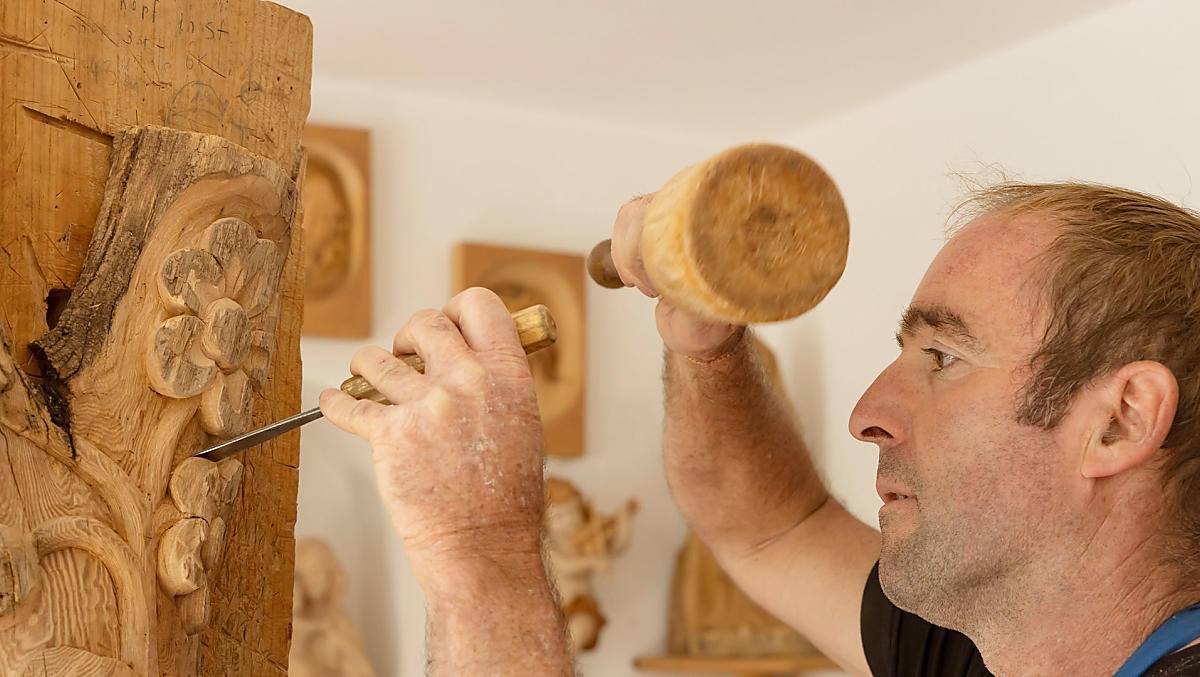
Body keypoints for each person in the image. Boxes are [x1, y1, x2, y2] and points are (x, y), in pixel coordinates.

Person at [318, 183, 1200, 676]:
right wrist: (706, 342)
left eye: (943, 357)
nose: (866, 415)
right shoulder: (986, 653)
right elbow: (772, 525)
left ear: (1119, 421)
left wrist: (479, 551)